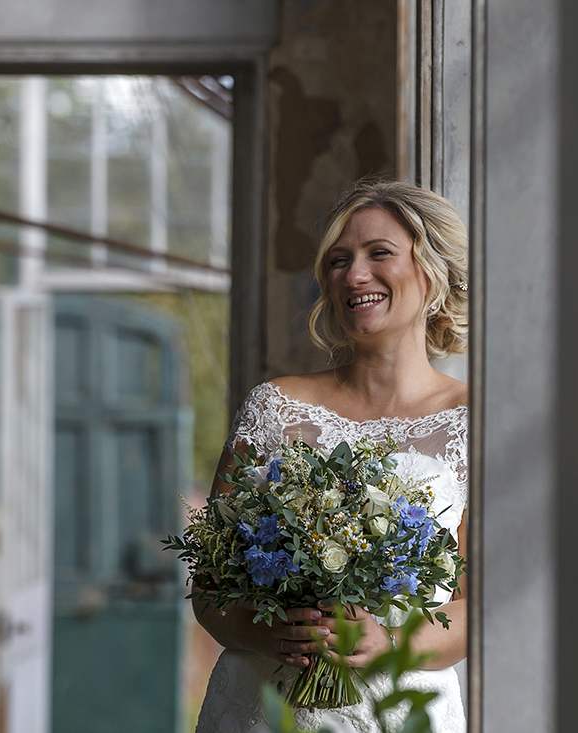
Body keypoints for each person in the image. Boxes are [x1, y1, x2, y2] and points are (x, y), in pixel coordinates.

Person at [194, 179, 469, 733]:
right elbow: (208, 589)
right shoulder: (274, 407)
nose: (354, 275)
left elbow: (478, 608)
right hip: (264, 709)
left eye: (379, 253)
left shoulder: (476, 418)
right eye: (339, 261)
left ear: (435, 271)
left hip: (399, 709)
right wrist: (268, 629)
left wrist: (390, 641)